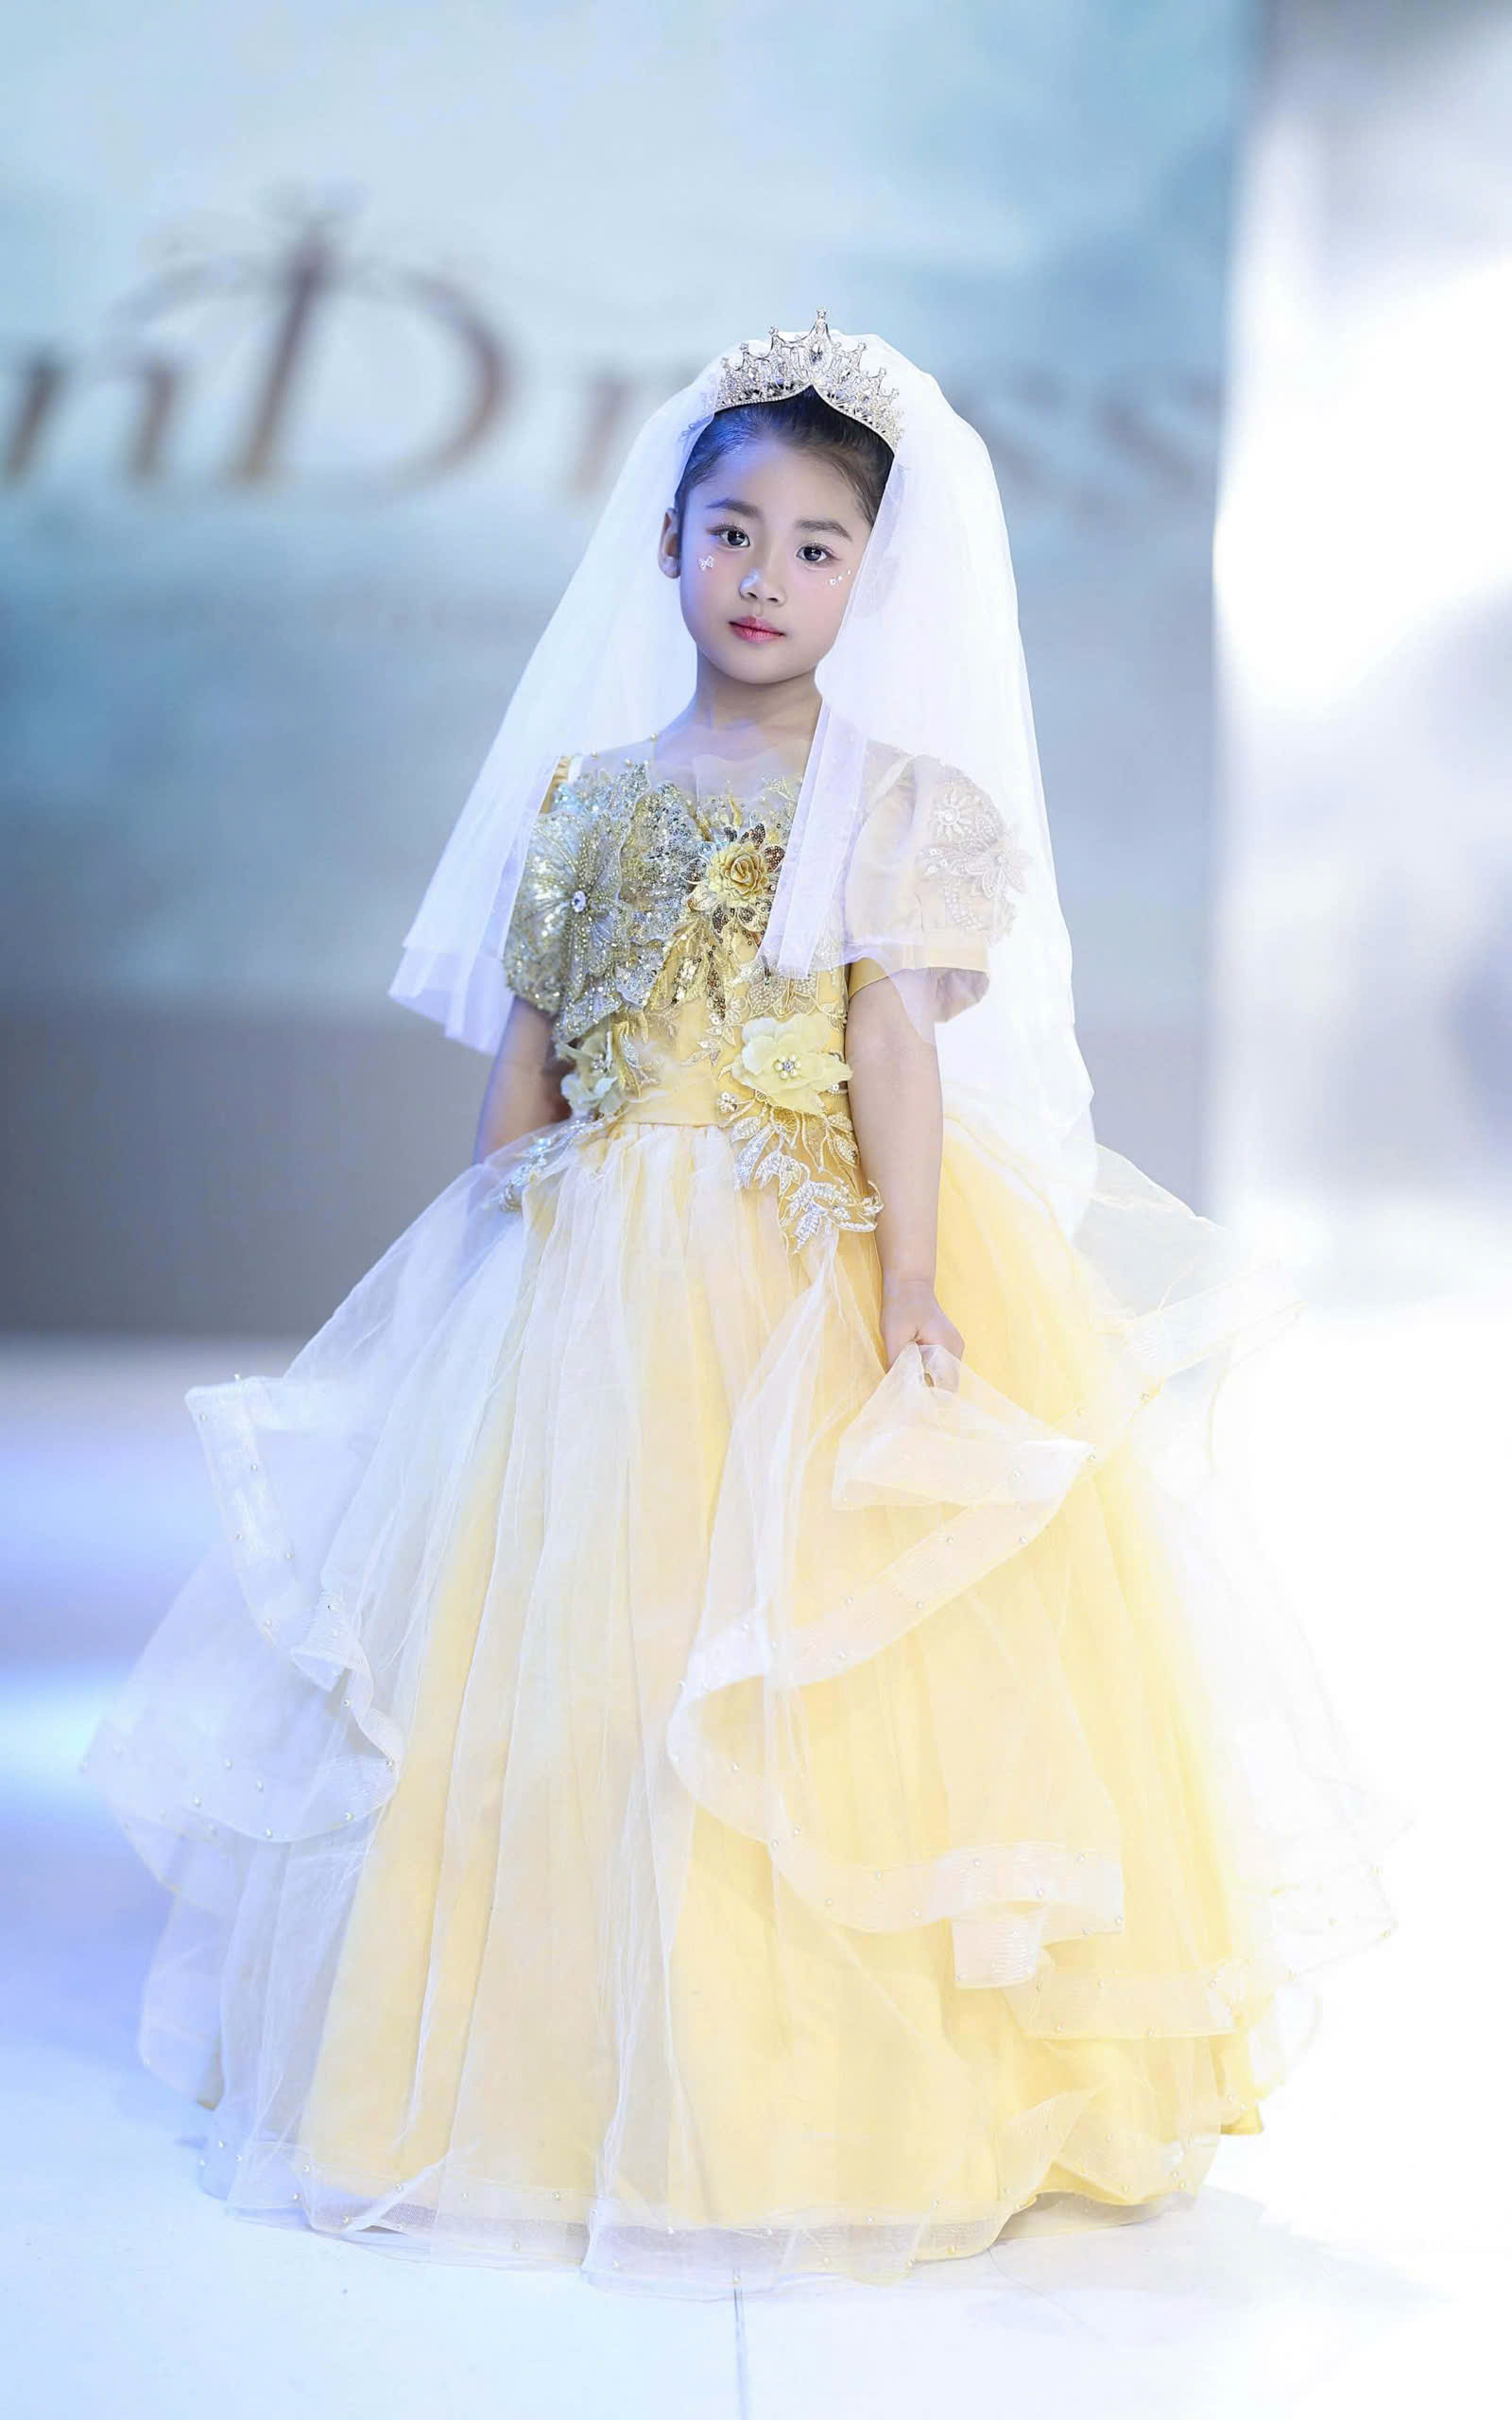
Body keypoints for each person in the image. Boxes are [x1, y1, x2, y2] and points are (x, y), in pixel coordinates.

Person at [85, 314, 1406, 2293]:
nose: (764, 577)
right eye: (731, 533)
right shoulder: (590, 794)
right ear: (667, 545)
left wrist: (912, 1278)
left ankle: (834, 2086)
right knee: (586, 1636)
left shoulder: (887, 800)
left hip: (805, 1248)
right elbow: (529, 1061)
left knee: (809, 1648)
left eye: (813, 546)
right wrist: (486, 1254)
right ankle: (563, 2067)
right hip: (596, 1256)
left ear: (872, 578)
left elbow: (889, 1048)